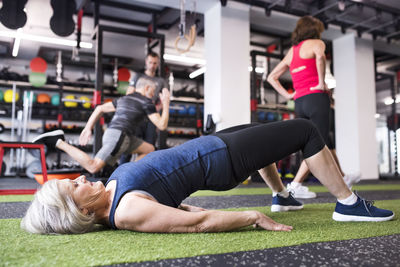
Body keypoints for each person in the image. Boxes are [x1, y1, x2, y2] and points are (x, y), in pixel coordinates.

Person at [21, 119, 394, 235]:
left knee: (270, 133)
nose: (83, 179)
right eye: (76, 187)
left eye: (76, 179)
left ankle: (281, 195)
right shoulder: (126, 210)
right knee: (306, 131)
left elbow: (175, 200)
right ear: (82, 213)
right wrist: (252, 217)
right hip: (223, 160)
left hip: (215, 145)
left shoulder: (114, 192)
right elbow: (195, 223)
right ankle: (348, 205)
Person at [267, 15, 359, 199]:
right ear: (315, 30)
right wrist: (320, 82)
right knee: (318, 142)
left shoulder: (293, 51)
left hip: (300, 102)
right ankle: (295, 184)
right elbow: (320, 59)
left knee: (326, 142)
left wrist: (289, 95)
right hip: (316, 98)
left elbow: (271, 77)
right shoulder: (318, 44)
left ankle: (343, 177)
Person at [32, 77, 170, 174]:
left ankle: (129, 174)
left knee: (149, 148)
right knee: (93, 167)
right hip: (119, 137)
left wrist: (88, 128)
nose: (153, 95)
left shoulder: (124, 99)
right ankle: (58, 142)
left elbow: (99, 108)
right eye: (152, 91)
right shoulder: (146, 102)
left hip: (120, 135)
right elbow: (162, 125)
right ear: (146, 88)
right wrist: (166, 104)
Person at [119, 51, 168, 163]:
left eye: (155, 63)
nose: (152, 65)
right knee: (128, 148)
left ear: (158, 64)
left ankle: (139, 172)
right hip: (137, 116)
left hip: (150, 118)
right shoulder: (138, 76)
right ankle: (121, 173)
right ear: (146, 62)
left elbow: (164, 98)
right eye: (150, 62)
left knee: (149, 148)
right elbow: (129, 94)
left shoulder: (161, 81)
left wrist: (156, 112)